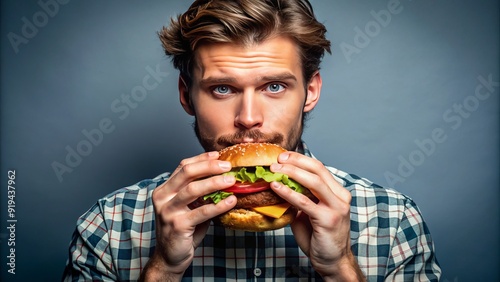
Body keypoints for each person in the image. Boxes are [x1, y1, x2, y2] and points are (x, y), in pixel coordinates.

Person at [63, 0, 441, 281]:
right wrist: (162, 268)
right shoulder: (110, 226)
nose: (248, 118)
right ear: (186, 95)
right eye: (223, 88)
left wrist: (340, 266)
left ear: (310, 91)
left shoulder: (392, 221)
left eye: (274, 86)